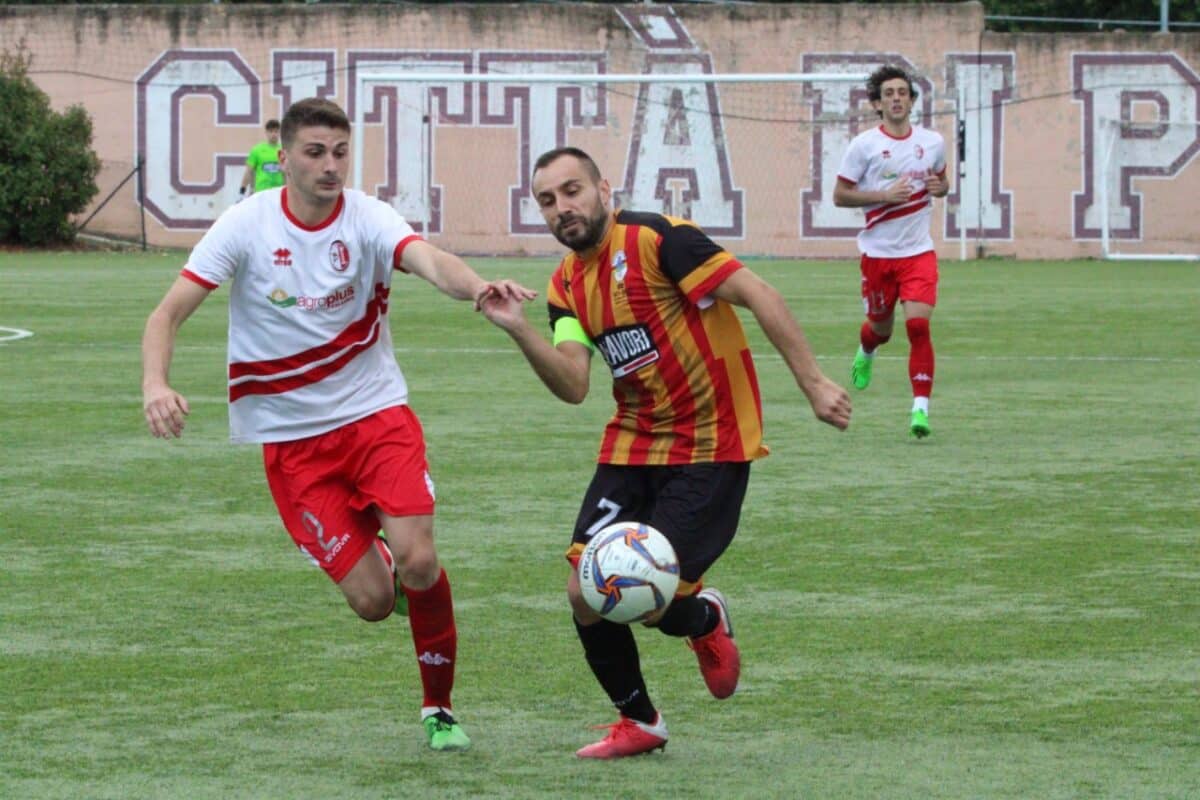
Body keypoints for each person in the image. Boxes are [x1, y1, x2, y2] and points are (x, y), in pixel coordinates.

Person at [141, 97, 535, 752]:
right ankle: (385, 569)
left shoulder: (367, 217)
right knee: (374, 603)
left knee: (420, 560)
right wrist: (155, 383)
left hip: (376, 416)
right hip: (293, 446)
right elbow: (167, 313)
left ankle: (439, 708)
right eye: (316, 152)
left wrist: (475, 288)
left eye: (341, 152)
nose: (331, 165)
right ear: (285, 157)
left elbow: (427, 258)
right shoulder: (245, 224)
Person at [479, 146, 851, 758]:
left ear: (604, 189)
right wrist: (519, 328)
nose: (562, 207)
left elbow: (759, 293)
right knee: (584, 591)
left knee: (650, 601)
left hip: (710, 440)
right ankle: (641, 721)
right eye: (547, 200)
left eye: (572, 190)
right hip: (633, 442)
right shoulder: (565, 284)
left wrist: (813, 383)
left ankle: (703, 619)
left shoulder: (660, 241)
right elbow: (574, 383)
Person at [833, 65, 949, 438]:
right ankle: (867, 350)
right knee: (880, 330)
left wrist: (941, 187)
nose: (896, 99)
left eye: (902, 92)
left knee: (918, 325)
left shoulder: (933, 142)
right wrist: (884, 196)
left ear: (912, 101)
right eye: (888, 94)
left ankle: (920, 410)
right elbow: (840, 195)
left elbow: (942, 182)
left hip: (918, 253)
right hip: (878, 255)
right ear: (877, 104)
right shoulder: (863, 146)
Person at [239, 119, 285, 198]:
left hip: (278, 193)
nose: (273, 134)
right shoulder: (257, 150)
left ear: (279, 133)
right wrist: (242, 190)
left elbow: (288, 173)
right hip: (261, 193)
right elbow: (248, 171)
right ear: (266, 133)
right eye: (271, 131)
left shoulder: (284, 151)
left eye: (276, 131)